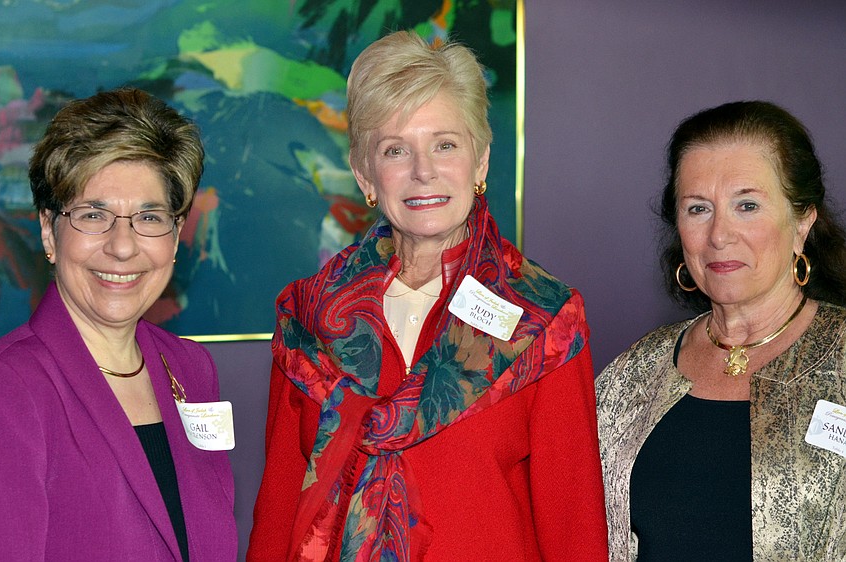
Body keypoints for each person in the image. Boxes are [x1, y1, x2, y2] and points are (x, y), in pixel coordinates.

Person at [248, 30, 608, 561]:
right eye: (396, 150)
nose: (424, 171)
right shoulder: (307, 316)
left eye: (445, 144)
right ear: (365, 175)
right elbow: (278, 511)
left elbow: (573, 526)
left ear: (480, 162)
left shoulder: (544, 316)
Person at [596, 100, 846, 560]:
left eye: (747, 205)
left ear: (802, 222)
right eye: (698, 209)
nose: (719, 234)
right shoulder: (632, 374)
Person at [0, 88, 237, 561]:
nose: (122, 246)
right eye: (93, 215)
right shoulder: (10, 387)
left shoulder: (189, 367)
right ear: (49, 231)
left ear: (174, 235)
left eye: (149, 217)